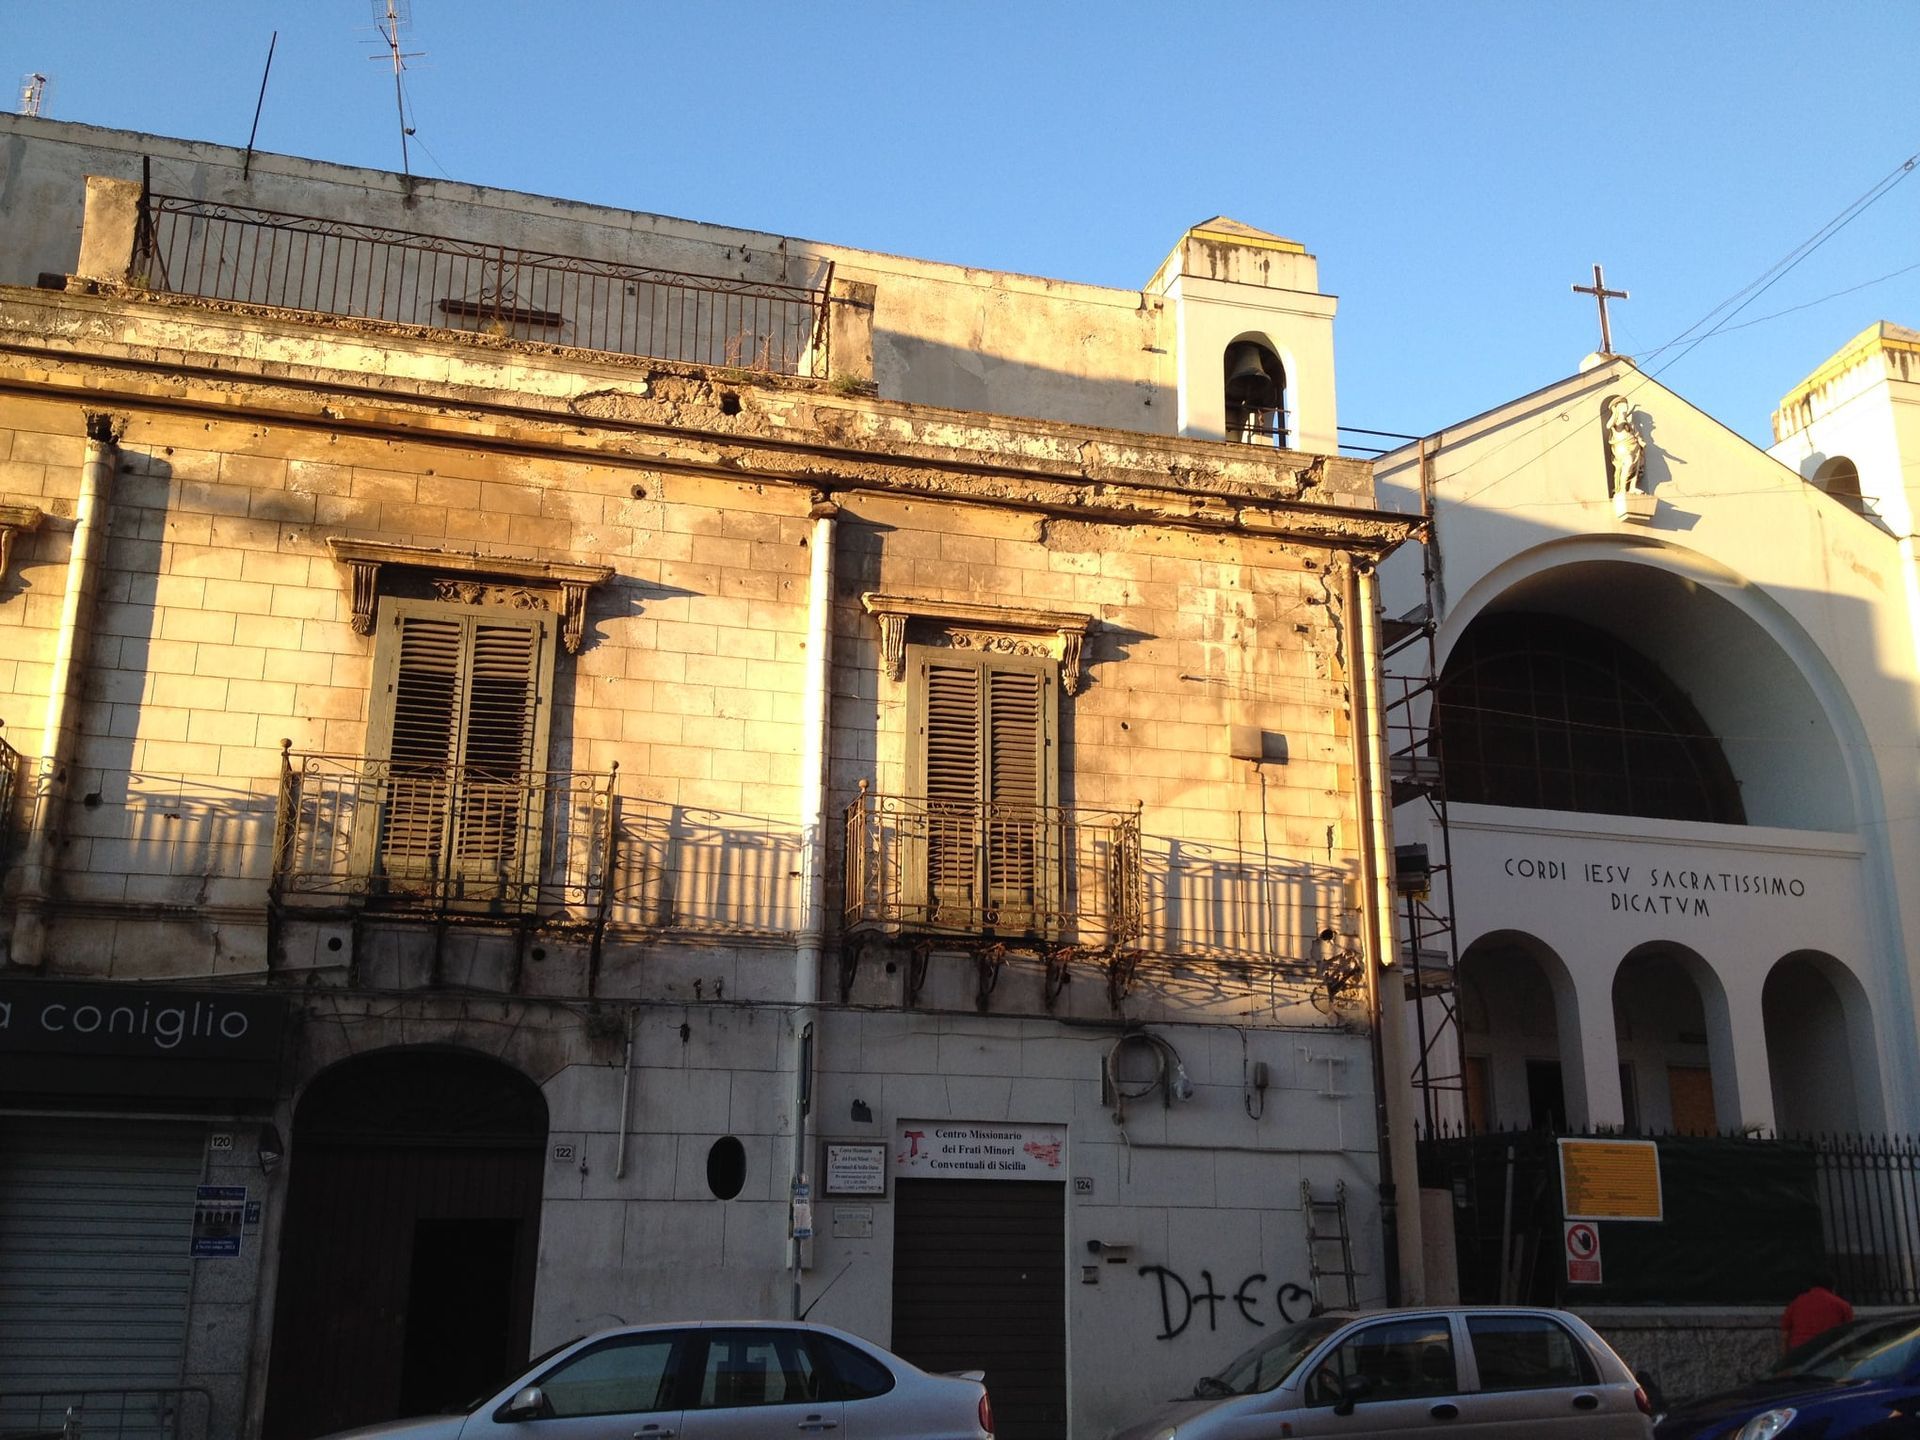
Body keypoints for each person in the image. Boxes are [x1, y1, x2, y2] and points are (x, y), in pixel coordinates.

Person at [1780, 1270, 1853, 1354]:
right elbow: (1848, 1333)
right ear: (1833, 1287)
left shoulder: (1796, 1303)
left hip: (1799, 1350)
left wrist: (1785, 1356)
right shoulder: (1842, 1305)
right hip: (1827, 1351)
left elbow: (1785, 1335)